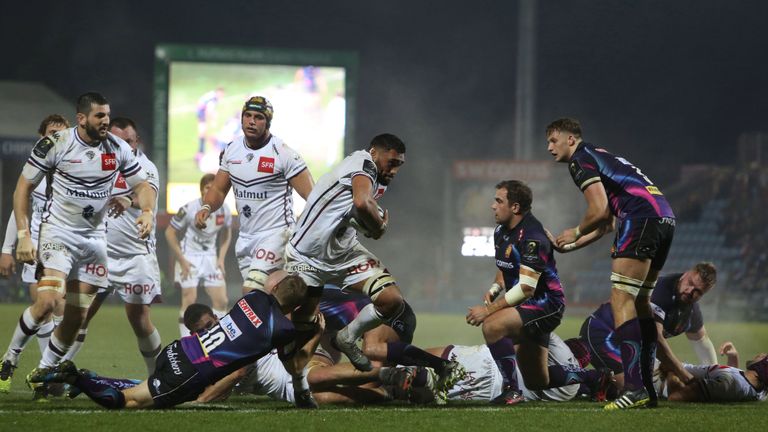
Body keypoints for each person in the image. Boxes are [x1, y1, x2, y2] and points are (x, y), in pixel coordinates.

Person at [285, 133, 464, 392]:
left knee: (391, 299)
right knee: (304, 330)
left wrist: (368, 223)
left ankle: (347, 337)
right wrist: (378, 226)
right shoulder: (363, 163)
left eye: (399, 164)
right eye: (390, 162)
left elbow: (356, 210)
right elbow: (361, 202)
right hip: (307, 257)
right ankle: (298, 386)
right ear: (374, 152)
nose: (393, 169)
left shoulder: (379, 180)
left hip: (343, 253)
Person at [15, 93, 155, 398]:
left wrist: (145, 211)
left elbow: (142, 185)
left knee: (78, 317)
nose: (105, 121)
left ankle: (44, 373)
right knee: (50, 300)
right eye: (99, 116)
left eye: (107, 115)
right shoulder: (57, 144)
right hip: (59, 234)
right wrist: (23, 234)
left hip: (94, 242)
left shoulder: (116, 148)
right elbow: (23, 187)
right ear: (82, 118)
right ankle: (9, 359)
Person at [29, 272, 322, 410]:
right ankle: (77, 378)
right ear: (295, 307)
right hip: (192, 370)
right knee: (131, 404)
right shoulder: (282, 329)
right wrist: (315, 331)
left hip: (179, 349)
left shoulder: (253, 296)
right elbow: (295, 365)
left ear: (277, 286)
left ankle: (91, 378)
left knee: (141, 389)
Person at [546, 118, 675, 409]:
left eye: (554, 140)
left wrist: (575, 231)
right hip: (663, 217)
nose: (549, 147)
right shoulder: (600, 155)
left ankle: (634, 388)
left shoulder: (580, 160)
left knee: (621, 300)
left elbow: (599, 209)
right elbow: (606, 223)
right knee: (641, 302)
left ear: (571, 139)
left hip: (640, 218)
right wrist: (574, 245)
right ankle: (647, 391)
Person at [465, 180, 611, 405]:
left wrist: (488, 310)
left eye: (498, 201)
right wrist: (495, 288)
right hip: (528, 305)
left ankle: (512, 391)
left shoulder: (533, 237)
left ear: (515, 207)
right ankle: (594, 377)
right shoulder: (501, 232)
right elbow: (505, 267)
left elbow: (525, 288)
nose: (493, 206)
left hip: (546, 304)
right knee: (536, 380)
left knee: (492, 325)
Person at [61, 118, 164, 375]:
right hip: (99, 254)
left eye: (128, 141)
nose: (124, 146)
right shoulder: (101, 161)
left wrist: (130, 200)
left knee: (139, 320)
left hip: (134, 257)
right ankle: (53, 376)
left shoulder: (145, 166)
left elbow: (146, 192)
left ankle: (159, 377)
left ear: (136, 142)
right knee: (78, 315)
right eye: (118, 141)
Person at [194, 96, 313, 291]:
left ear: (268, 122)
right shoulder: (232, 150)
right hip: (246, 239)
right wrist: (206, 207)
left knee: (251, 292)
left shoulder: (283, 154)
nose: (251, 121)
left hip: (276, 235)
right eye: (247, 115)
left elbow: (313, 196)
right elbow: (218, 188)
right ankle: (307, 320)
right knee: (270, 300)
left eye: (258, 117)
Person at [0, 115, 70, 393]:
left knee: (61, 314)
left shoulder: (72, 168)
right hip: (37, 250)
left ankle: (42, 372)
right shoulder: (34, 172)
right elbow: (19, 213)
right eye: (52, 133)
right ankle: (39, 375)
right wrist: (7, 249)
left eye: (62, 134)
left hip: (67, 248)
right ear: (40, 136)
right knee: (46, 308)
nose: (56, 139)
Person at [576, 262, 718, 390]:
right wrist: (687, 377)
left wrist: (716, 374)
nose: (690, 291)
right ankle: (569, 378)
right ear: (685, 274)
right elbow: (656, 339)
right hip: (603, 332)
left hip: (631, 345)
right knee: (632, 388)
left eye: (697, 291)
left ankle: (597, 381)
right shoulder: (661, 291)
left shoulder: (691, 310)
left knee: (651, 384)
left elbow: (701, 342)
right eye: (690, 283)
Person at [166, 173, 232, 337]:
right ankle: (186, 342)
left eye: (213, 188)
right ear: (202, 190)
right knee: (189, 299)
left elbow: (226, 233)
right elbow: (169, 232)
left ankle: (218, 339)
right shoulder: (189, 209)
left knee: (222, 300)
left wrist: (221, 258)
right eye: (207, 188)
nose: (210, 191)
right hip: (189, 256)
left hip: (210, 257)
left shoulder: (224, 209)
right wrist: (181, 260)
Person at [659, 341, 767, 403]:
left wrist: (671, 372)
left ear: (762, 367)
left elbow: (676, 397)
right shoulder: (760, 392)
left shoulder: (729, 383)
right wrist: (734, 357)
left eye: (764, 357)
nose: (761, 354)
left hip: (659, 377)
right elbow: (736, 383)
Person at [196, 87, 224, 161]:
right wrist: (212, 120)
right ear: (218, 92)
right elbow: (209, 109)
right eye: (221, 94)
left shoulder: (212, 95)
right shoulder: (213, 98)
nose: (222, 96)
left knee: (203, 133)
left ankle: (201, 152)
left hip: (200, 112)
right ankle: (206, 152)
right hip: (202, 113)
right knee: (205, 133)